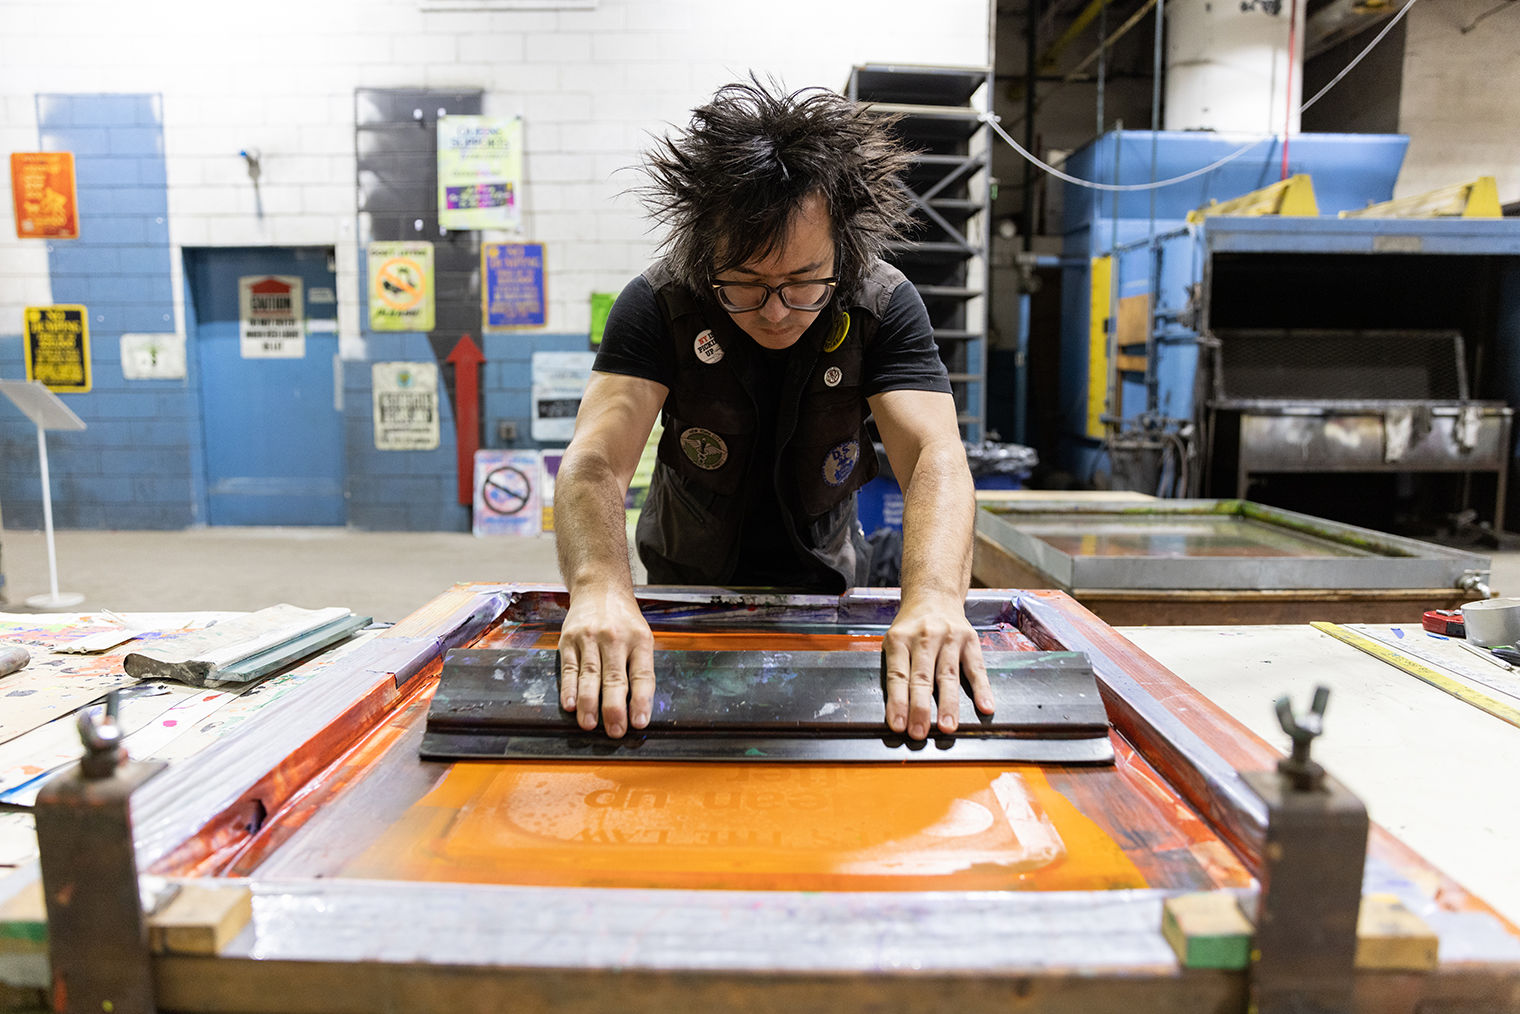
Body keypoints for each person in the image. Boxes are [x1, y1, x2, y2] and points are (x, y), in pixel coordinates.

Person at [553, 77, 992, 742]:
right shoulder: (659, 302)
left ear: (841, 248)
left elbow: (936, 454)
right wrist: (599, 584)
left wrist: (933, 594)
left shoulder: (882, 303)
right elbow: (594, 461)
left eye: (802, 282)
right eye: (747, 285)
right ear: (706, 253)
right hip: (685, 588)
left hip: (826, 585)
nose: (778, 310)